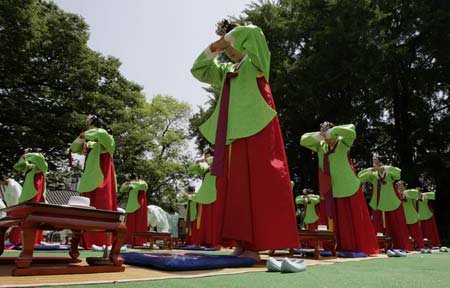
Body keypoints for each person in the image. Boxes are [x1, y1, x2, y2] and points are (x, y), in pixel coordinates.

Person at [191, 20, 299, 260]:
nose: (228, 49)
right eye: (226, 46)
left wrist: (230, 35)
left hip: (258, 128)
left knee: (260, 183)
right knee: (237, 188)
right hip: (233, 133)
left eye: (231, 43)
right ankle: (243, 241)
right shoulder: (227, 70)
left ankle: (256, 244)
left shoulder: (256, 61)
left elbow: (254, 32)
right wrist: (213, 48)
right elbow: (198, 70)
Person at [300, 122, 379, 255]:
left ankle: (356, 246)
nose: (327, 137)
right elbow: (303, 140)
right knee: (333, 219)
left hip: (347, 186)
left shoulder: (343, 142)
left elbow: (351, 130)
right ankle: (333, 247)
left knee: (351, 220)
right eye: (324, 133)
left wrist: (333, 132)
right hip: (329, 188)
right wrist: (320, 135)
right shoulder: (320, 146)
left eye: (328, 133)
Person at [70, 115, 117, 249]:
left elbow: (94, 133)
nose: (86, 122)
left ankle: (102, 240)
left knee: (101, 204)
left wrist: (83, 136)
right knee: (86, 206)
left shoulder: (105, 135)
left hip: (102, 173)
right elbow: (74, 147)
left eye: (88, 120)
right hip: (89, 174)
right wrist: (81, 137)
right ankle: (85, 241)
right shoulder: (90, 139)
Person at [358, 158, 412, 250]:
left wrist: (385, 168)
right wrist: (370, 170)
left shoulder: (389, 174)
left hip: (391, 202)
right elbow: (360, 177)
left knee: (396, 225)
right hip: (378, 203)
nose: (377, 166)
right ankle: (380, 246)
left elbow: (398, 174)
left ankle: (399, 245)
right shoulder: (373, 176)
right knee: (378, 225)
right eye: (375, 164)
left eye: (379, 164)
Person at [12, 152, 48, 244]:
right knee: (26, 214)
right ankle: (20, 239)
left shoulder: (40, 167)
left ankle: (30, 239)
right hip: (29, 193)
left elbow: (40, 160)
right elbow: (18, 166)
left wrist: (28, 155)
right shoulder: (32, 167)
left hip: (35, 193)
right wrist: (23, 158)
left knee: (32, 214)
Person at [119, 176, 148, 246]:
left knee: (139, 225)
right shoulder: (131, 186)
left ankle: (139, 241)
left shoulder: (142, 183)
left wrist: (131, 183)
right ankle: (129, 241)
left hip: (139, 207)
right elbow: (121, 189)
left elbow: (143, 186)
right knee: (129, 225)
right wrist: (127, 184)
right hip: (130, 207)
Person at [399, 182, 425, 249]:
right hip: (402, 218)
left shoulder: (410, 193)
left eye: (402, 187)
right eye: (399, 187)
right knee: (403, 234)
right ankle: (405, 247)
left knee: (416, 234)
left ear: (405, 187)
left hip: (412, 216)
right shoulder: (396, 195)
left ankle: (420, 246)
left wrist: (418, 192)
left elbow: (421, 198)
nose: (401, 189)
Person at [0, 175, 22, 241]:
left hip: (16, 209)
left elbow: (18, 198)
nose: (1, 184)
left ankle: (15, 240)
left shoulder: (13, 185)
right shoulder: (10, 185)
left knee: (14, 227)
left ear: (2, 180)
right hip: (12, 209)